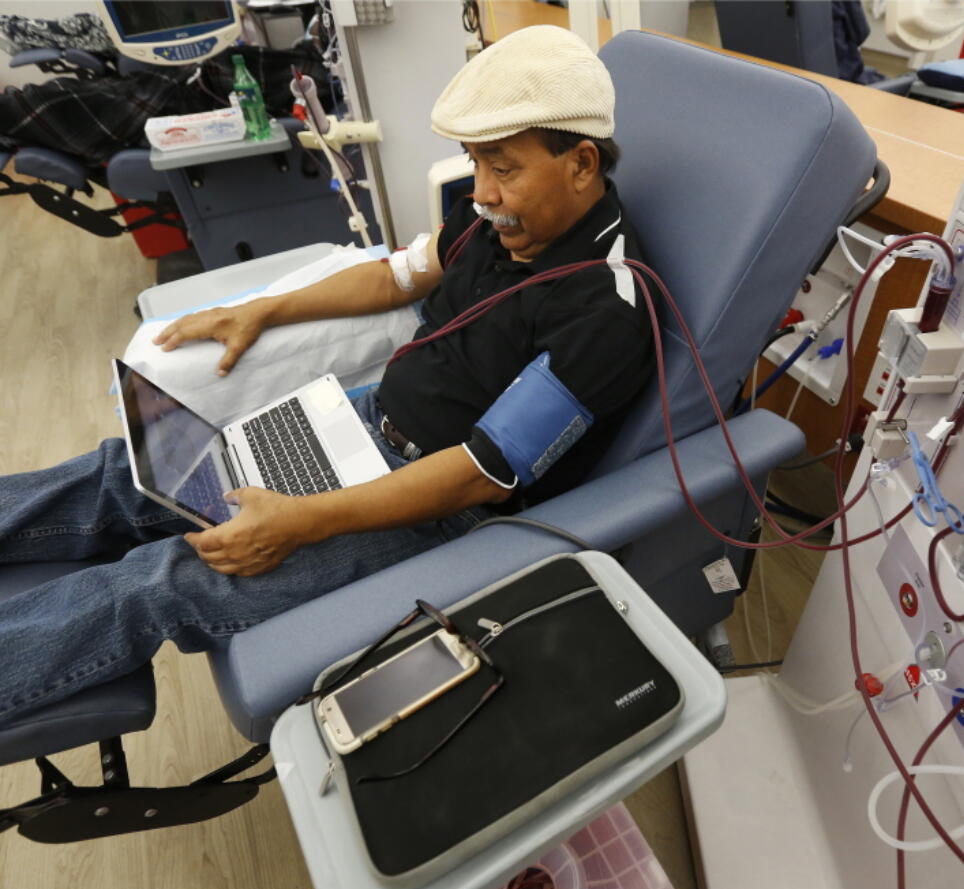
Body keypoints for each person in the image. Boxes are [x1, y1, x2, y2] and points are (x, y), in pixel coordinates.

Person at [0, 26, 653, 725]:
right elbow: (396, 276)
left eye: (504, 168)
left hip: (432, 514)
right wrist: (260, 310)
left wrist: (300, 522)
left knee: (157, 582)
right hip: (357, 426)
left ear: (582, 164)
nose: (485, 192)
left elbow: (479, 473)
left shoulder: (603, 313)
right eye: (475, 163)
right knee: (124, 471)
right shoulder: (497, 218)